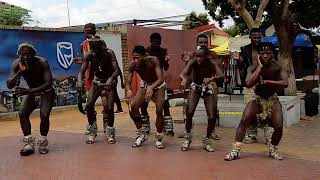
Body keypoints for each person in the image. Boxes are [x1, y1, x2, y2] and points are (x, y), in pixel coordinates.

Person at [225, 42, 287, 161]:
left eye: (268, 53)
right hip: (257, 99)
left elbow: (285, 83)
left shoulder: (278, 67)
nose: (265, 56)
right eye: (262, 53)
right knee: (245, 119)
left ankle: (273, 149)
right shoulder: (253, 67)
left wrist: (269, 82)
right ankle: (235, 150)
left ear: (272, 54)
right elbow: (248, 83)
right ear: (258, 55)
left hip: (271, 99)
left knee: (278, 126)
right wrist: (259, 67)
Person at [7, 43, 55, 156]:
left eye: (28, 54)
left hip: (46, 92)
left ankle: (43, 142)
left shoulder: (42, 62)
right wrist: (19, 73)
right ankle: (29, 143)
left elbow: (48, 83)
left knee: (44, 115)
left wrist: (28, 91)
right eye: (23, 54)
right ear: (19, 55)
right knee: (22, 113)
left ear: (34, 54)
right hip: (31, 92)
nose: (26, 56)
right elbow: (9, 84)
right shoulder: (16, 64)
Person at [179, 47, 224, 152]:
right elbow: (183, 73)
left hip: (208, 86)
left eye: (200, 57)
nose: (198, 59)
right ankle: (188, 137)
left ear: (206, 56)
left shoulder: (211, 62)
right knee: (189, 112)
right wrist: (184, 80)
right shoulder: (193, 60)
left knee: (212, 116)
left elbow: (221, 75)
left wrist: (212, 78)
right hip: (196, 86)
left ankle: (207, 140)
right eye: (197, 56)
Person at [77, 37, 120, 144]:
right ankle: (92, 131)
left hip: (108, 82)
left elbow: (117, 70)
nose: (94, 50)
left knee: (109, 108)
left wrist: (110, 79)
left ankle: (110, 132)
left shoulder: (109, 53)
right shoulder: (90, 55)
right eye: (92, 48)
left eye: (96, 48)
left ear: (101, 46)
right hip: (96, 82)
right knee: (89, 105)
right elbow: (81, 71)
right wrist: (79, 81)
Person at [126, 45, 165, 149]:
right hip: (145, 85)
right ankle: (141, 134)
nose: (135, 60)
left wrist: (151, 87)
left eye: (137, 57)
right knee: (134, 107)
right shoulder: (133, 65)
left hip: (158, 85)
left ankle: (159, 137)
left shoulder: (153, 60)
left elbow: (161, 78)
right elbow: (128, 82)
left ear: (145, 55)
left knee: (159, 109)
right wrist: (129, 90)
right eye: (133, 57)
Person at [239, 28, 273, 144]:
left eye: (259, 37)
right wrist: (239, 61)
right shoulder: (244, 49)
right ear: (250, 37)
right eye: (254, 37)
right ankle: (252, 134)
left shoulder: (266, 48)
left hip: (265, 83)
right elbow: (241, 66)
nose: (257, 39)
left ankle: (268, 135)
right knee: (250, 110)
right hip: (250, 84)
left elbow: (273, 63)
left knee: (266, 110)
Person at [140, 33, 174, 136]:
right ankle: (145, 127)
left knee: (165, 105)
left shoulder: (163, 51)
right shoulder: (145, 51)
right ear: (150, 41)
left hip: (159, 83)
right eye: (154, 42)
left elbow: (166, 68)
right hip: (147, 82)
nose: (156, 44)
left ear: (160, 42)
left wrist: (167, 61)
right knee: (143, 105)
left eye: (158, 43)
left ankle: (168, 128)